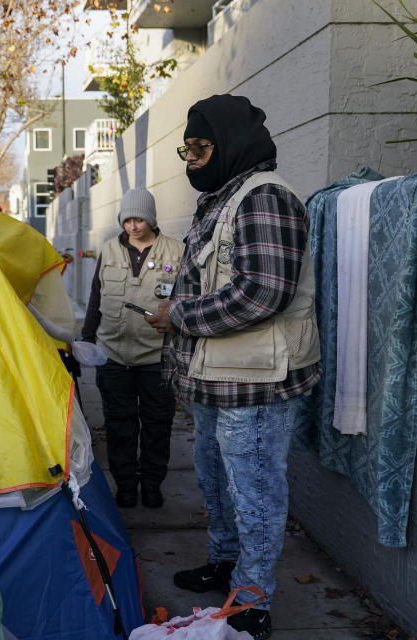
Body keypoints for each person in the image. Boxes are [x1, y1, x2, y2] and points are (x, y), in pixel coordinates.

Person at [144, 94, 320, 640]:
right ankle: (226, 566)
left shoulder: (265, 198)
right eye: (186, 148)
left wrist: (179, 315)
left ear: (231, 145)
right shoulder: (222, 200)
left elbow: (261, 294)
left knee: (256, 494)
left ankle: (252, 601)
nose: (189, 159)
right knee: (217, 485)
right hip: (219, 380)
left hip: (258, 382)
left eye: (199, 147)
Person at [80, 187, 183, 509]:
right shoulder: (109, 250)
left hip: (157, 357)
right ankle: (125, 486)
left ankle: (152, 485)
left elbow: (186, 301)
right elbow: (96, 298)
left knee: (157, 425)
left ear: (151, 219)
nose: (133, 226)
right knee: (119, 424)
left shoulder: (176, 251)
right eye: (127, 220)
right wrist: (85, 338)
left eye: (139, 220)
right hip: (114, 355)